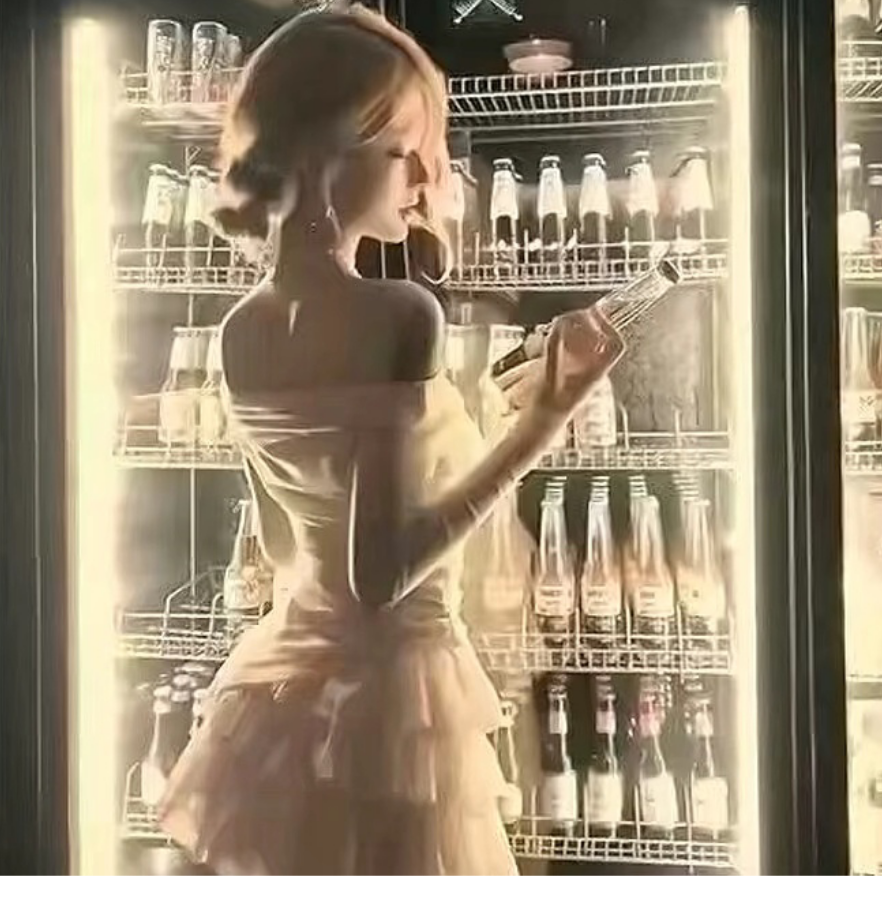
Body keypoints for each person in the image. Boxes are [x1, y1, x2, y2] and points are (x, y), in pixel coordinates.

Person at [158, 5, 623, 876]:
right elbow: (379, 574)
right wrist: (543, 422)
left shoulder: (238, 329)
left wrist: (481, 421)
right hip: (393, 701)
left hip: (288, 689)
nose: (423, 177)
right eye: (402, 151)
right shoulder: (399, 313)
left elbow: (285, 543)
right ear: (324, 154)